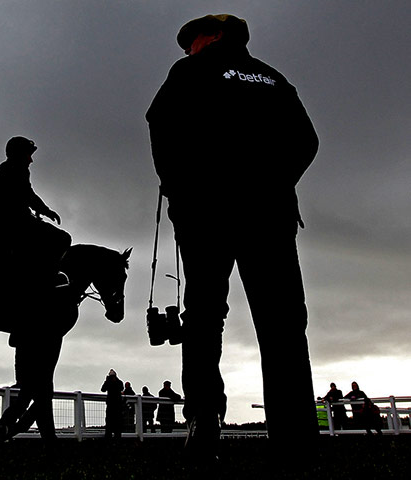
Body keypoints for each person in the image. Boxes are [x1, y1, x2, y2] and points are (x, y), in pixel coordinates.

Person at [146, 14, 320, 458]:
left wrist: (183, 191)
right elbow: (307, 140)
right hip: (270, 214)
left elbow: (161, 125)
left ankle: (204, 425)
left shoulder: (189, 72)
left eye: (194, 40)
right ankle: (296, 439)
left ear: (216, 35)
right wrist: (276, 183)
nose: (188, 49)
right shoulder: (274, 79)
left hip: (207, 215)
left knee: (204, 316)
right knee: (283, 322)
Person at [0, 136, 72, 289]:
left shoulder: (8, 171)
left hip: (8, 223)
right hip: (11, 225)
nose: (31, 160)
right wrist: (45, 211)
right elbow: (27, 195)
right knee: (62, 238)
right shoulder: (14, 172)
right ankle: (46, 279)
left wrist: (43, 211)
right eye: (28, 155)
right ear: (19, 155)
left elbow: (26, 195)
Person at [101, 369, 124, 439]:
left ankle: (108, 437)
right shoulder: (119, 382)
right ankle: (117, 437)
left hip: (110, 404)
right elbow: (122, 388)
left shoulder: (108, 382)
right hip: (118, 404)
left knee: (109, 421)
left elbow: (103, 389)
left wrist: (106, 380)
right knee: (118, 422)